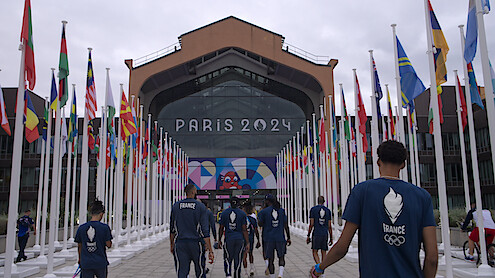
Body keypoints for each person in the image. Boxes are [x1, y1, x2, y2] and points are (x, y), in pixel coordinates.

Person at [310, 140, 438, 278]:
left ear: (378, 162)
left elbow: (342, 247)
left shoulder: (362, 192)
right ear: (403, 164)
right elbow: (432, 258)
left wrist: (320, 268)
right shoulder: (422, 197)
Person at [170, 183, 214, 278]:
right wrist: (210, 250)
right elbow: (205, 231)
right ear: (194, 192)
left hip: (180, 243)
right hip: (196, 244)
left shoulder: (176, 206)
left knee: (182, 271)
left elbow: (172, 229)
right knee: (200, 270)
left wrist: (171, 244)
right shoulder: (200, 206)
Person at [75, 199, 113, 278]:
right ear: (101, 214)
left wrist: (80, 259)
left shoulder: (81, 228)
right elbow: (108, 244)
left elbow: (79, 246)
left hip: (86, 262)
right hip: (100, 262)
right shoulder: (105, 228)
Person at [258, 195, 291, 278]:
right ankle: (281, 273)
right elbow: (286, 225)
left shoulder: (263, 212)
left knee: (270, 259)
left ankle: (272, 276)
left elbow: (260, 224)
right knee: (281, 256)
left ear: (267, 201)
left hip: (268, 238)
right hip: (280, 237)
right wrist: (288, 237)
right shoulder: (282, 211)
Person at [218, 196, 249, 278]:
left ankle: (228, 275)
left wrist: (219, 240)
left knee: (227, 258)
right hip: (239, 239)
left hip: (229, 239)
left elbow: (221, 228)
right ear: (238, 203)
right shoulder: (242, 213)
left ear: (230, 203)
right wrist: (247, 242)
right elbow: (244, 229)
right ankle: (237, 274)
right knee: (238, 258)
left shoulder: (224, 213)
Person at [307, 196, 332, 276]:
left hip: (316, 233)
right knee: (323, 251)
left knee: (314, 251)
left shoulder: (313, 210)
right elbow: (329, 225)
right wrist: (331, 237)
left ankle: (319, 267)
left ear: (317, 201)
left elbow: (311, 224)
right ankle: (322, 269)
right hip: (325, 233)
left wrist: (308, 235)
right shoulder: (328, 211)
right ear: (324, 201)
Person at [242, 202, 261, 277]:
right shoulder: (253, 219)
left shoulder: (242, 218)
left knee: (244, 255)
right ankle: (252, 268)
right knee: (250, 253)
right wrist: (258, 240)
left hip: (243, 238)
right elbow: (256, 230)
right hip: (251, 238)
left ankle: (246, 272)